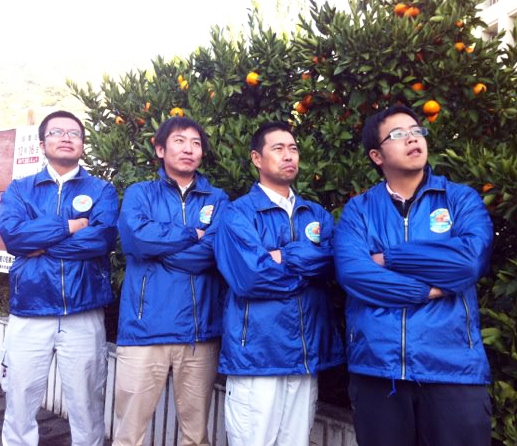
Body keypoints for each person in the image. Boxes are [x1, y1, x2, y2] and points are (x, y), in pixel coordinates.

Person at [334, 104, 493, 446]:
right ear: (377, 156)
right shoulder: (359, 210)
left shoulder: (460, 200)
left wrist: (389, 257)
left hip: (453, 369)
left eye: (417, 131)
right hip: (379, 370)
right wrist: (428, 290)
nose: (412, 138)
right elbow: (354, 273)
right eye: (398, 134)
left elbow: (468, 262)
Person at [214, 121, 345, 446]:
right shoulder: (237, 214)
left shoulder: (316, 214)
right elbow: (249, 277)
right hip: (258, 355)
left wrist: (282, 255)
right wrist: (307, 267)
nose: (289, 155)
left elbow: (333, 262)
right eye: (278, 148)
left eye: (293, 148)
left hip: (305, 355)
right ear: (257, 158)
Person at [0, 110, 119, 446]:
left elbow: (101, 239)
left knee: (87, 404)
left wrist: (39, 244)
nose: (66, 137)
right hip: (30, 309)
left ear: (83, 144)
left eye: (74, 133)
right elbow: (15, 237)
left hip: (83, 311)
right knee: (19, 400)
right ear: (42, 144)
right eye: (57, 132)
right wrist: (70, 226)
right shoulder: (20, 189)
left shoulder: (102, 190)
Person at [114, 116, 228, 446]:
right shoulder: (140, 193)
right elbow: (136, 239)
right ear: (160, 149)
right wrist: (192, 234)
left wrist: (159, 251)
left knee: (196, 435)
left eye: (196, 143)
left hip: (199, 333)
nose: (189, 149)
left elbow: (213, 253)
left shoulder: (217, 199)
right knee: (128, 434)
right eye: (179, 141)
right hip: (144, 330)